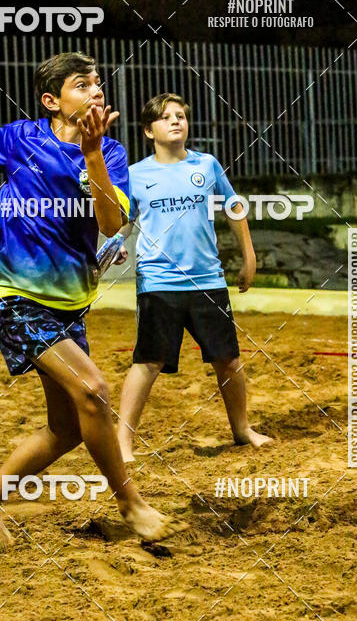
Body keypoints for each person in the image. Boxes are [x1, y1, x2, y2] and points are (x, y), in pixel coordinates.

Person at [0, 54, 187, 550]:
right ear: (52, 101)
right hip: (15, 294)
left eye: (98, 83)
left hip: (69, 304)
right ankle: (131, 505)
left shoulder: (112, 153)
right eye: (82, 85)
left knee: (68, 429)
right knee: (94, 391)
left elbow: (110, 224)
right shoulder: (19, 138)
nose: (97, 90)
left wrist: (93, 153)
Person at [116, 92, 272, 463]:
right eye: (166, 116)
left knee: (228, 360)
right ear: (148, 131)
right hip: (158, 284)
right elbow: (123, 223)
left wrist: (249, 256)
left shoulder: (207, 164)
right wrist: (115, 245)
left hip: (208, 282)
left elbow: (234, 207)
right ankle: (122, 443)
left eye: (181, 115)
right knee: (148, 363)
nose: (176, 121)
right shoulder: (135, 175)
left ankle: (242, 429)